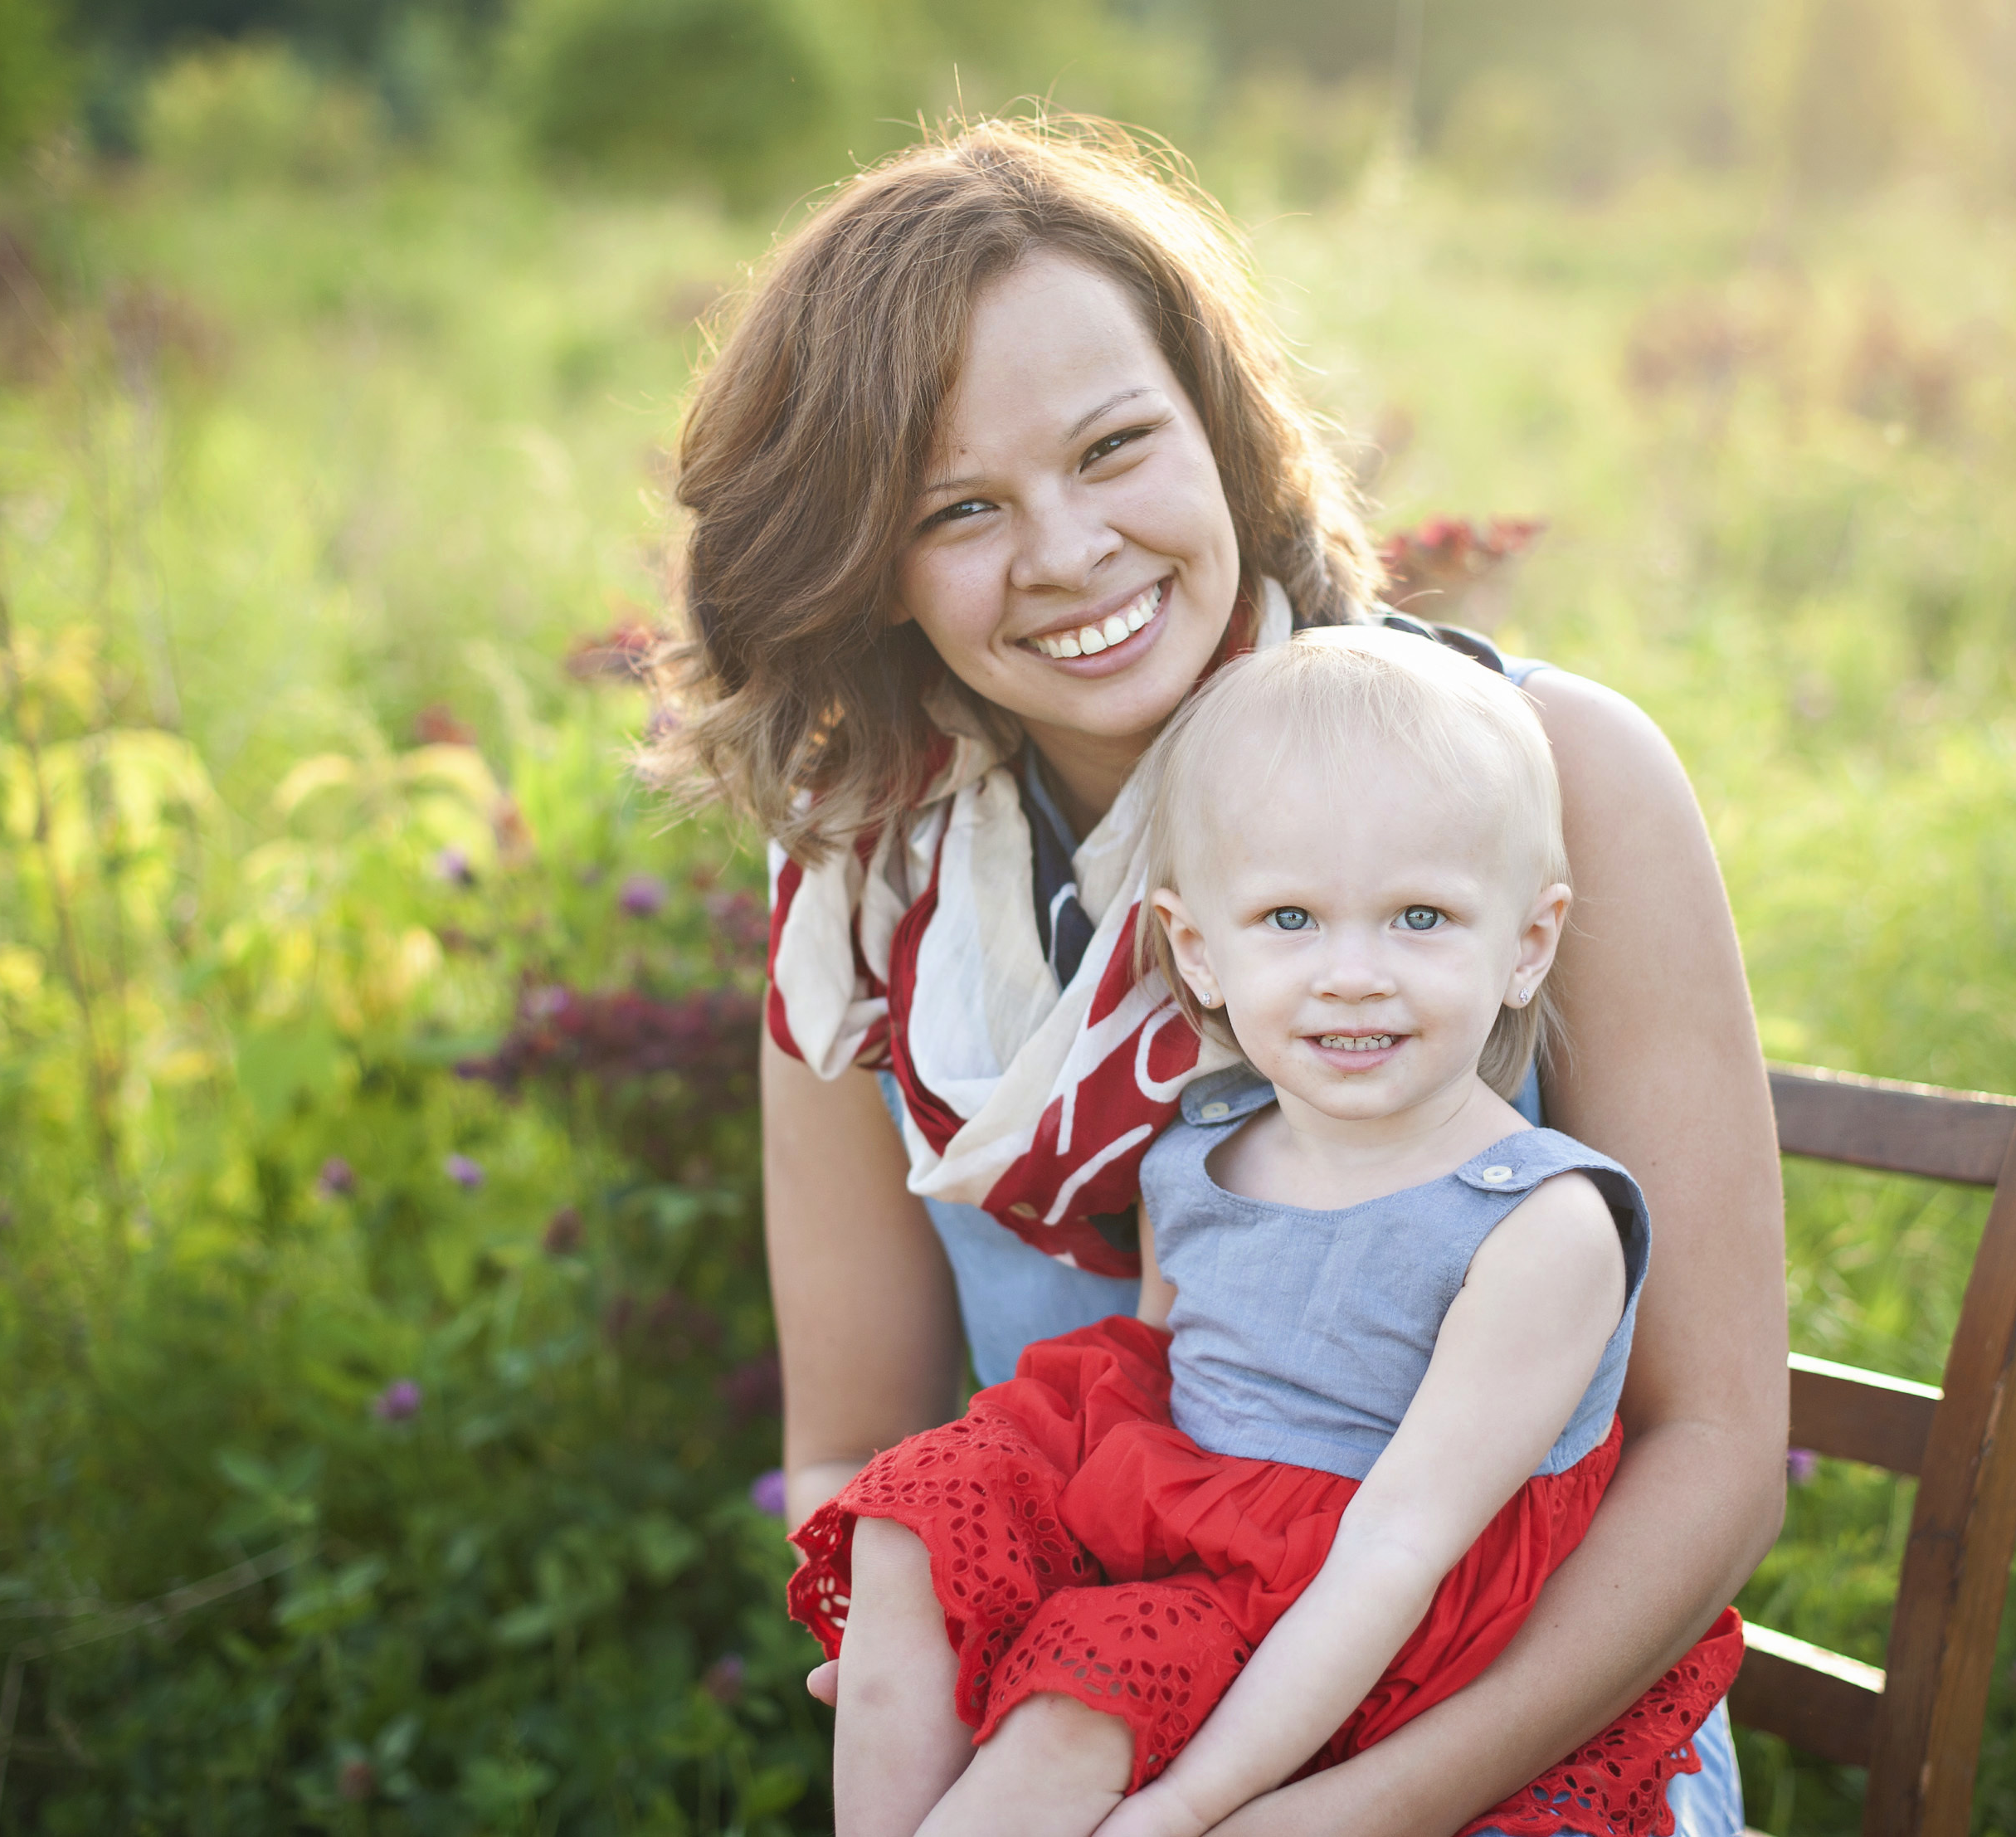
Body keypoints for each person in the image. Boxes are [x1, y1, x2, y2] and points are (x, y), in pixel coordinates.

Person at [657, 117, 1786, 1837]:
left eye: (1116, 448)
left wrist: (1335, 1812)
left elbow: (1709, 1453)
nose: (1066, 551)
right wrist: (929, 1648)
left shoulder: (1547, 773)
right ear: (864, 565)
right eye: (959, 508)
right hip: (1094, 1707)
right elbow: (855, 1445)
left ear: (1221, 429)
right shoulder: (864, 894)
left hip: (1501, 1743)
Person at [784, 628, 1744, 1837]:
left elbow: (1402, 1544)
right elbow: (1142, 1385)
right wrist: (987, 1594)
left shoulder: (1540, 1224)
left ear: (1528, 945)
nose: (1352, 973)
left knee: (1087, 1710)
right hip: (1212, 1576)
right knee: (993, 1613)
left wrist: (1190, 1804)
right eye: (1291, 917)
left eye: (1421, 917)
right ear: (1201, 950)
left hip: (1403, 1635)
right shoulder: (1199, 1153)